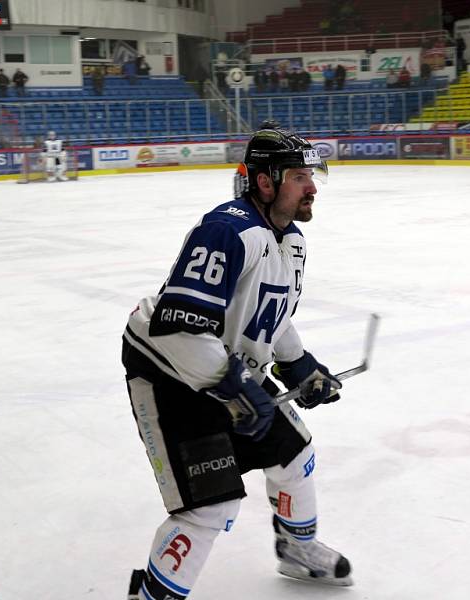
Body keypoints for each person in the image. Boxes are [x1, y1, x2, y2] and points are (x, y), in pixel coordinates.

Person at [122, 122, 353, 600]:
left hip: (225, 366)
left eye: (312, 175)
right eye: (298, 176)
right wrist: (235, 389)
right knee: (210, 506)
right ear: (265, 182)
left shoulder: (289, 241)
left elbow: (268, 316)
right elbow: (179, 324)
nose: (312, 186)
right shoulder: (228, 230)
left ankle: (296, 549)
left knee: (296, 455)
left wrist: (299, 366)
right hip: (168, 370)